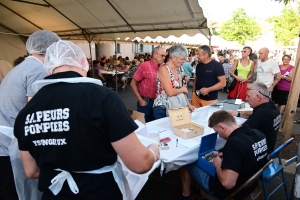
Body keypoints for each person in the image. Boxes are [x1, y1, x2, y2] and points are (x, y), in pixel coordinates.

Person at [13, 40, 160, 200]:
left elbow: (31, 171)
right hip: (99, 192)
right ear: (84, 62)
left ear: (48, 68)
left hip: (54, 194)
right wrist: (153, 151)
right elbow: (140, 164)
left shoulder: (26, 111)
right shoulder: (103, 98)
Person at [0, 30, 60, 200]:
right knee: (15, 192)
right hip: (9, 146)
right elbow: (37, 114)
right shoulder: (38, 70)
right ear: (52, 49)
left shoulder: (21, 67)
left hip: (5, 141)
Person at [180, 110, 268, 200]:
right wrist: (229, 156)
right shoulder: (259, 134)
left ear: (222, 127)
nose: (219, 136)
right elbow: (253, 155)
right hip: (251, 184)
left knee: (188, 161)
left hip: (232, 192)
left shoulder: (233, 143)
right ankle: (197, 189)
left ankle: (185, 196)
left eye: (217, 132)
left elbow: (227, 184)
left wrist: (218, 165)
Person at [227, 82, 281, 153]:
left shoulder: (261, 114)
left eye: (248, 96)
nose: (246, 98)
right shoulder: (272, 107)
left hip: (259, 154)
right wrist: (238, 113)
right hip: (268, 147)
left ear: (258, 97)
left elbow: (238, 132)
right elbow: (253, 112)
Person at [152, 45, 195, 120]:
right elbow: (170, 92)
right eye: (182, 59)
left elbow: (181, 89)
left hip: (175, 106)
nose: (184, 61)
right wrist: (183, 89)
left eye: (185, 59)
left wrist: (188, 104)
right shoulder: (163, 68)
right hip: (162, 108)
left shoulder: (179, 68)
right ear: (173, 58)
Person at [130, 46, 165, 122]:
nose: (164, 57)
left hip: (158, 103)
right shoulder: (144, 65)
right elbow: (132, 83)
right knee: (144, 127)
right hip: (145, 102)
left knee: (155, 127)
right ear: (155, 55)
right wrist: (140, 100)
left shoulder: (162, 67)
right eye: (162, 55)